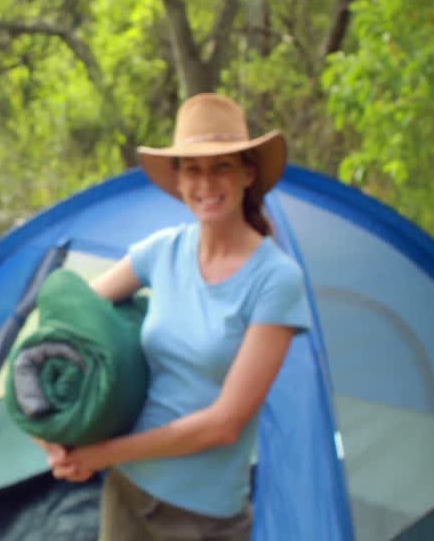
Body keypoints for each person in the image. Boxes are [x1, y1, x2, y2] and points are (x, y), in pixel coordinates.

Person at [41, 93, 311, 541]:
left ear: (247, 174)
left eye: (221, 165)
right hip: (128, 491)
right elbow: (70, 323)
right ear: (179, 182)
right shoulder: (162, 251)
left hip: (203, 516)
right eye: (193, 168)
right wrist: (52, 432)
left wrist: (102, 454)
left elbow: (225, 424)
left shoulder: (276, 279)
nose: (206, 182)